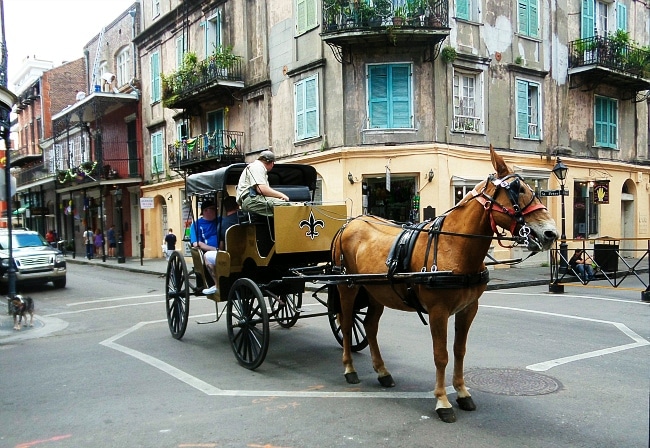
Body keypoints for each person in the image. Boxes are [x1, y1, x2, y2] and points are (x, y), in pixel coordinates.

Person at [202, 196, 239, 295]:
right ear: (237, 206)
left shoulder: (223, 224)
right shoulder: (247, 218)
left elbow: (221, 247)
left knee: (206, 256)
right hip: (248, 254)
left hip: (230, 256)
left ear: (225, 208)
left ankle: (217, 285)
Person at [235, 150, 290, 216]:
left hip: (252, 200)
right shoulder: (258, 166)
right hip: (252, 200)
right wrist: (282, 195)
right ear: (272, 163)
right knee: (288, 206)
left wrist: (276, 199)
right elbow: (261, 189)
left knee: (280, 207)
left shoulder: (256, 167)